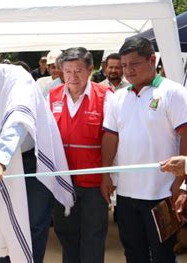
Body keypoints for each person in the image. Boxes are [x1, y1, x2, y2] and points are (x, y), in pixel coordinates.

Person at [0, 39, 74, 263]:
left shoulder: (17, 78)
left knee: (33, 225)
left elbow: (17, 120)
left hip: (30, 163)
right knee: (0, 221)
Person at [102, 37, 187, 262]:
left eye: (134, 64)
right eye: (124, 65)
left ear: (152, 60)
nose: (128, 71)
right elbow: (110, 137)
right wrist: (106, 174)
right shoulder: (119, 97)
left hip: (162, 192)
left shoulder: (173, 92)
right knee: (133, 252)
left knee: (163, 253)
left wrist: (179, 182)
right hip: (126, 193)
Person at [48, 47, 113, 263]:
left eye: (78, 70)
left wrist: (107, 177)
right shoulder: (52, 96)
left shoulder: (105, 96)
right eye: (67, 71)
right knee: (66, 234)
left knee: (93, 236)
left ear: (91, 70)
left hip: (94, 183)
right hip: (63, 181)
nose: (73, 76)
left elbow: (112, 138)